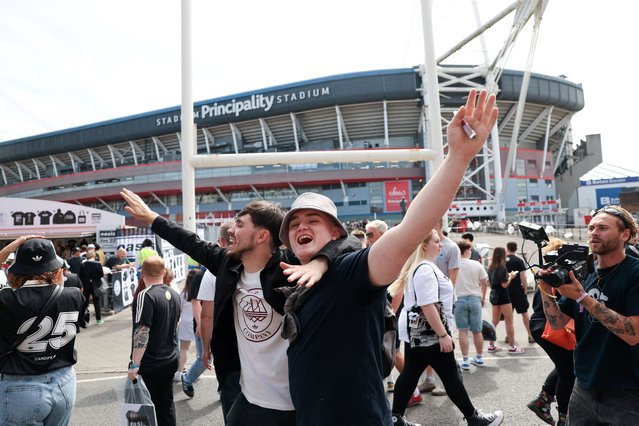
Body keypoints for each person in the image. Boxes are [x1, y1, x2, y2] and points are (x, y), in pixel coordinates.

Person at [275, 89, 501, 426]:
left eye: (312, 221)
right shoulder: (298, 280)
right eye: (294, 223)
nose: (300, 227)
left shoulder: (350, 272)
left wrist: (458, 157)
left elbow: (411, 228)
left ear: (336, 233)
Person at [121, 190, 358, 425]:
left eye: (239, 225)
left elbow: (351, 242)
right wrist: (152, 217)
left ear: (262, 236)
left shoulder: (293, 267)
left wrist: (320, 262)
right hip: (245, 397)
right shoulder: (228, 265)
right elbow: (190, 242)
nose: (230, 231)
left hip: (291, 405)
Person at [388, 231, 503, 426]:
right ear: (425, 245)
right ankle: (473, 418)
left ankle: (395, 418)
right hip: (431, 333)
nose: (441, 245)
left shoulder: (423, 266)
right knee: (450, 376)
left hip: (419, 333)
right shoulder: (425, 269)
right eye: (436, 241)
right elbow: (427, 305)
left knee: (410, 374)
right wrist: (443, 334)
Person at [538, 205, 639, 424]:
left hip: (626, 391)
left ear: (626, 234)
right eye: (591, 227)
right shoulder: (585, 273)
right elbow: (558, 323)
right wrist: (545, 288)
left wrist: (583, 298)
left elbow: (633, 333)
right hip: (583, 384)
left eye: (602, 228)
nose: (594, 232)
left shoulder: (635, 273)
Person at [0, 236, 85, 425]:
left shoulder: (6, 300)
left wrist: (11, 247)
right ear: (55, 269)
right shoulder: (73, 296)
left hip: (19, 384)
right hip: (63, 380)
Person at [182, 220, 235, 399]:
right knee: (206, 360)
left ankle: (222, 388)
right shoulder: (207, 274)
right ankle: (188, 379)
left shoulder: (211, 273)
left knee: (210, 359)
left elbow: (206, 315)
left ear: (220, 241)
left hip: (219, 334)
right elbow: (201, 310)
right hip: (215, 331)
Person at [127, 255, 181, 426]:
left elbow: (142, 331)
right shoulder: (174, 293)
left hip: (151, 362)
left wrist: (135, 364)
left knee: (145, 410)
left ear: (142, 273)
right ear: (164, 272)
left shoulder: (145, 295)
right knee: (165, 406)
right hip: (170, 357)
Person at [527, 238, 574, 426]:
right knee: (567, 371)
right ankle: (563, 416)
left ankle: (543, 400)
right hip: (547, 326)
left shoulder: (548, 272)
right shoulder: (557, 274)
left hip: (539, 323)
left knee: (565, 365)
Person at [455, 240, 489, 370]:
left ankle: (465, 360)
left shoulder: (454, 265)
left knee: (462, 331)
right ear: (466, 251)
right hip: (475, 298)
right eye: (470, 250)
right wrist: (483, 296)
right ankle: (479, 357)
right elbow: (484, 282)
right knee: (477, 330)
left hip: (459, 300)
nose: (471, 252)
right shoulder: (476, 264)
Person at [487, 247, 523, 354]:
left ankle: (491, 345)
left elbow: (492, 282)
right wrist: (511, 277)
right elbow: (504, 284)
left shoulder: (490, 267)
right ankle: (512, 347)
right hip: (503, 296)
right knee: (509, 320)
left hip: (494, 295)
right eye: (505, 252)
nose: (507, 253)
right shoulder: (502, 268)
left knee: (495, 321)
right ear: (502, 255)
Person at [505, 242, 534, 344]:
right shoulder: (519, 261)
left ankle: (509, 336)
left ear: (507, 248)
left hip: (506, 290)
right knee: (524, 313)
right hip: (518, 290)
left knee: (509, 315)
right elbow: (523, 276)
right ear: (516, 248)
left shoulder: (504, 260)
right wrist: (525, 288)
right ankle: (530, 335)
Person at [175, 269, 198, 382]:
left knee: (183, 349)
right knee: (200, 351)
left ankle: (179, 373)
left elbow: (178, 310)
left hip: (185, 322)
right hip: (198, 321)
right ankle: (196, 372)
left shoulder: (183, 293)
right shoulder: (201, 292)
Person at [78, 251, 104, 326]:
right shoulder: (98, 264)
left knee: (85, 303)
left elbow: (80, 276)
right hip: (96, 286)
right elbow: (101, 275)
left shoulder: (83, 264)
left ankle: (82, 320)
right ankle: (98, 320)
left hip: (85, 286)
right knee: (96, 302)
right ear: (94, 256)